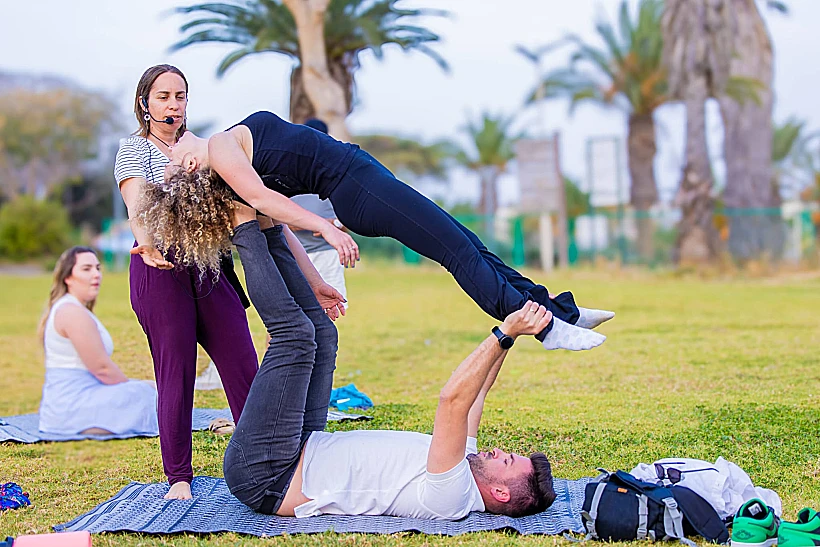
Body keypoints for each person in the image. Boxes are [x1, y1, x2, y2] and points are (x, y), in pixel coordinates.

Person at [144, 111, 615, 352]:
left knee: (470, 243)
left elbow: (280, 226)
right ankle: (546, 328)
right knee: (456, 251)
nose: (176, 153)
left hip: (362, 179)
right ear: (191, 171)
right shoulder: (222, 151)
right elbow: (270, 205)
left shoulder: (227, 151)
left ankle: (557, 310)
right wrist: (327, 230)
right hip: (357, 188)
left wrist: (320, 265)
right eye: (175, 165)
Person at [222, 263, 557, 519]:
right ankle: (270, 227)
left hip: (268, 475)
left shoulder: (452, 495)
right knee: (323, 334)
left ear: (499, 492)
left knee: (294, 337)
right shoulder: (464, 462)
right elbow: (477, 393)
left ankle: (247, 226)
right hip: (299, 445)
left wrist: (505, 332)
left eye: (507, 460)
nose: (499, 451)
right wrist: (515, 329)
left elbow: (452, 400)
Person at [114, 65, 260, 500]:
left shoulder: (205, 146)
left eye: (180, 96)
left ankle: (265, 465)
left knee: (243, 366)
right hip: (158, 265)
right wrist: (147, 243)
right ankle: (179, 476)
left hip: (210, 264)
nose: (173, 104)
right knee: (175, 373)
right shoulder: (132, 149)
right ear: (145, 103)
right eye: (163, 96)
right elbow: (136, 202)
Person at [38, 247, 158, 437]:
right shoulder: (72, 312)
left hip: (74, 400)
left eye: (97, 268)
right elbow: (102, 369)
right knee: (150, 395)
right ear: (67, 277)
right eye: (86, 269)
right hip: (71, 406)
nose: (96, 275)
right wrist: (133, 388)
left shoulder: (74, 308)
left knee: (152, 390)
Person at [289, 118, 349, 304]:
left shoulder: (335, 173)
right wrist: (305, 223)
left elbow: (348, 221)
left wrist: (332, 225)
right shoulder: (286, 170)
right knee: (289, 310)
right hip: (293, 252)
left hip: (326, 253)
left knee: (330, 307)